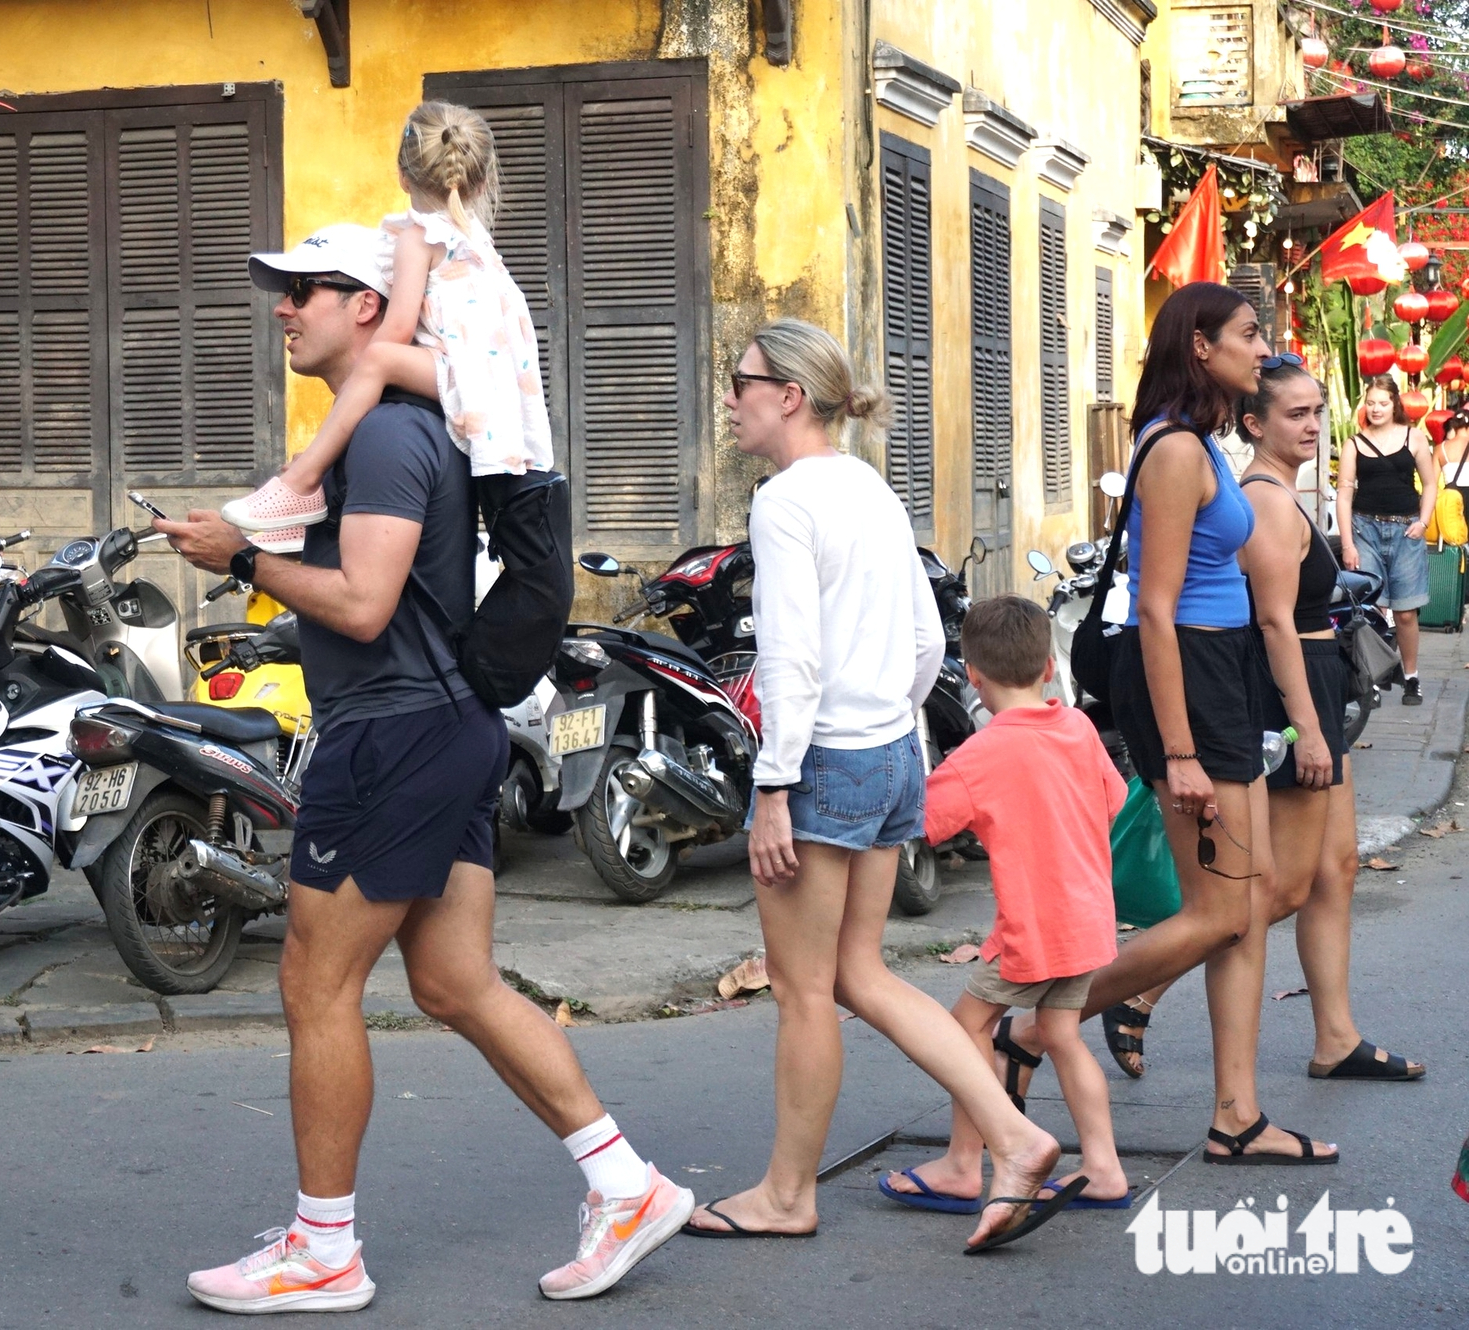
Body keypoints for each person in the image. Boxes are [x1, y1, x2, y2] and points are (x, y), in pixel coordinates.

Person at [157, 226, 690, 1314]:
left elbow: (364, 603)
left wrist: (242, 559)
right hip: (435, 730)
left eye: (304, 289)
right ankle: (626, 1186)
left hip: (394, 739)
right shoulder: (383, 429)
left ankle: (324, 1249)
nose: (282, 308)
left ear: (367, 306)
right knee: (453, 983)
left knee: (315, 983)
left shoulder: (390, 437)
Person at [680, 318, 1080, 1252]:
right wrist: (891, 722)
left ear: (788, 396)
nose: (729, 399)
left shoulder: (785, 501)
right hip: (893, 751)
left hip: (824, 762)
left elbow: (789, 659)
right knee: (858, 975)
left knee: (802, 990)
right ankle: (1015, 1137)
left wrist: (774, 788)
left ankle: (788, 1195)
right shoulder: (868, 485)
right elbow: (929, 639)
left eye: (740, 381)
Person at [999, 284, 1338, 1165]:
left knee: (1243, 909)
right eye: (1249, 334)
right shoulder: (1178, 449)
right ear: (1201, 346)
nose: (1261, 348)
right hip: (1186, 673)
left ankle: (1238, 1116)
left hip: (1219, 668)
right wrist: (1180, 751)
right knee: (1220, 910)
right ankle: (1034, 1026)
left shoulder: (1200, 439)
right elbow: (1155, 609)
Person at [1102, 360, 1423, 1086]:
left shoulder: (1281, 491)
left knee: (1336, 868)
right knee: (1272, 887)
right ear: (1254, 423)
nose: (1312, 426)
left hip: (1316, 683)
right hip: (1289, 691)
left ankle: (1335, 1036)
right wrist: (1308, 727)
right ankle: (1135, 991)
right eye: (1294, 414)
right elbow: (1273, 622)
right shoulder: (1264, 498)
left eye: (1317, 412)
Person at [880, 596, 1130, 1212]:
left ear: (972, 675)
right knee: (1062, 1035)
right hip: (1088, 918)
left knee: (966, 1030)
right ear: (1049, 666)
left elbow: (920, 824)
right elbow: (1114, 801)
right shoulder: (1077, 728)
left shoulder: (978, 757)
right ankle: (1104, 1169)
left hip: (1033, 930)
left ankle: (964, 1164)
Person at [220, 101, 553, 552]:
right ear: (480, 182)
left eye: (299, 290)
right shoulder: (477, 242)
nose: (282, 308)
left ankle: (302, 482)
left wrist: (367, 372)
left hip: (465, 376)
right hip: (494, 386)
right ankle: (311, 494)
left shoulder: (419, 238)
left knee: (378, 359)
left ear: (402, 175)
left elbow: (395, 332)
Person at [1337, 376, 1437, 704]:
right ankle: (1374, 679)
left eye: (1383, 403)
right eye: (1371, 403)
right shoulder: (1354, 444)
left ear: (1395, 404)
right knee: (1373, 609)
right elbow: (1344, 495)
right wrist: (1348, 544)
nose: (1376, 409)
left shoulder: (1414, 437)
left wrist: (1423, 522)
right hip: (1364, 530)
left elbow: (1430, 484)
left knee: (1406, 612)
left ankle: (1411, 677)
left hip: (1406, 530)